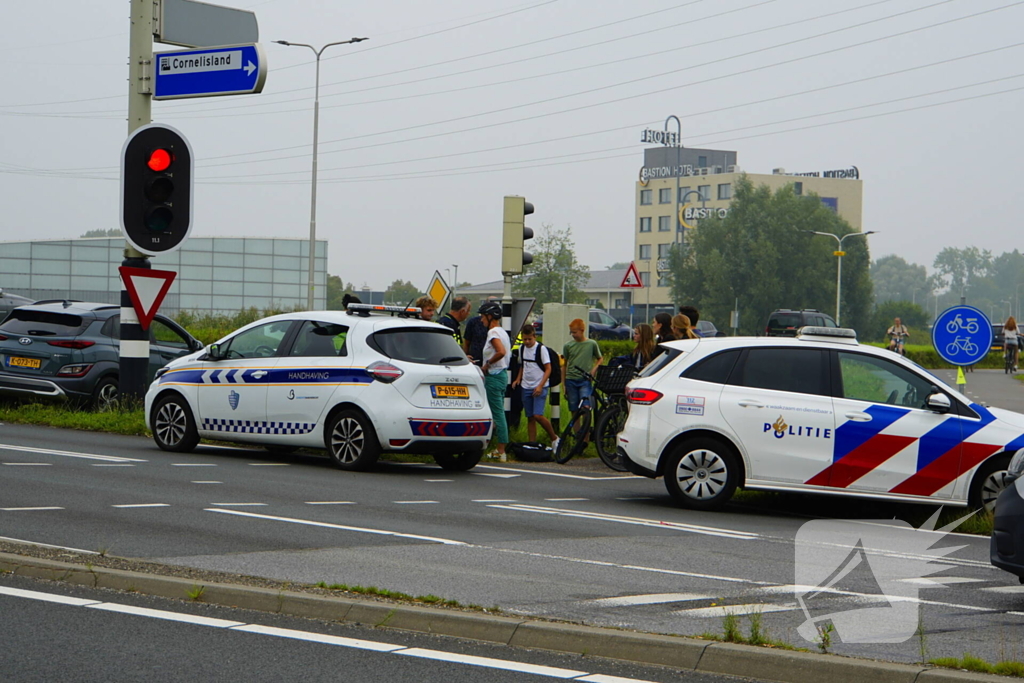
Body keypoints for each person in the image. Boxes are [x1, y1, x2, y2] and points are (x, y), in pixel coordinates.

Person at [512, 324, 558, 448]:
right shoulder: (522, 349)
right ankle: (532, 443)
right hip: (526, 386)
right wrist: (518, 379)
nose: (527, 342)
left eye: (529, 339)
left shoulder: (541, 349)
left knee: (538, 415)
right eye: (525, 339)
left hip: (539, 386)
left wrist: (540, 386)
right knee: (530, 417)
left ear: (534, 337)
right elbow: (523, 365)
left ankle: (554, 438)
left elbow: (548, 369)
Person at [479, 301, 510, 460]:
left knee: (497, 414)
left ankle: (501, 450)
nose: (481, 320)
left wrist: (487, 364)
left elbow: (501, 352)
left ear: (490, 316)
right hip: (502, 375)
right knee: (497, 413)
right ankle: (495, 446)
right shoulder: (502, 332)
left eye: (483, 317)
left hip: (494, 375)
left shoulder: (493, 333)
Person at [562, 318, 603, 414]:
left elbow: (600, 358)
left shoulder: (591, 344)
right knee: (574, 408)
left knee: (586, 406)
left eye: (575, 332)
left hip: (585, 380)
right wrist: (563, 383)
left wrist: (594, 369)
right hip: (571, 379)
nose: (573, 335)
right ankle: (577, 424)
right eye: (571, 332)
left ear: (582, 330)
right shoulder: (568, 346)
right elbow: (564, 365)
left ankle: (586, 423)